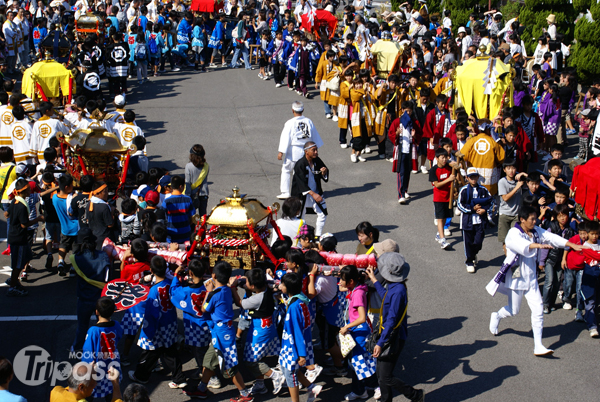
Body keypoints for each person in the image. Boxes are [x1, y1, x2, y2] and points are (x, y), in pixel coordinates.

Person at [487, 206, 584, 356]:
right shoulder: (514, 233)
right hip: (516, 276)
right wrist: (536, 245)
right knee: (513, 310)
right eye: (532, 219)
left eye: (535, 218)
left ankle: (538, 346)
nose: (535, 221)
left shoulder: (536, 231)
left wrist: (570, 244)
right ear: (522, 220)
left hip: (531, 278)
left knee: (538, 310)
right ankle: (497, 316)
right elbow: (521, 246)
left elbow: (552, 238)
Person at [184, 261, 252, 401]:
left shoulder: (214, 294)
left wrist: (208, 291)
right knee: (209, 361)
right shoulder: (226, 290)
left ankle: (245, 394)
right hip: (222, 331)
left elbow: (204, 309)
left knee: (229, 366)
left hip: (222, 334)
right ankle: (202, 389)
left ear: (213, 275)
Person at [365, 254, 424, 402]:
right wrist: (374, 280)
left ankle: (415, 395)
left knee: (385, 376)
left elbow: (391, 320)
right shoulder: (395, 286)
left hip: (392, 337)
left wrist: (380, 343)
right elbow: (386, 296)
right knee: (381, 374)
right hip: (389, 334)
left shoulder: (398, 291)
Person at [129, 256, 187, 388]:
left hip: (157, 326)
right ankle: (179, 377)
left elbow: (151, 313)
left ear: (152, 271)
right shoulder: (170, 283)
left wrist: (147, 331)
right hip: (170, 323)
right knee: (170, 351)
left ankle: (141, 376)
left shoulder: (154, 291)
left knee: (150, 352)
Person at [231, 268, 285, 395]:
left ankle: (275, 375)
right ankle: (260, 384)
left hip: (260, 331)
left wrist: (233, 288)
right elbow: (250, 290)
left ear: (253, 285)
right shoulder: (266, 289)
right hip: (267, 327)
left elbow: (240, 303)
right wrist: (244, 284)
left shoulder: (258, 298)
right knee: (259, 356)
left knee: (251, 360)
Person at [278, 272, 323, 402]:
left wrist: (301, 354)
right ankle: (311, 387)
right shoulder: (300, 299)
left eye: (282, 284)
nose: (280, 286)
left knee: (290, 373)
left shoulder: (294, 307)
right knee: (291, 370)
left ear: (288, 288)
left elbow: (297, 331)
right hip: (294, 343)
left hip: (292, 345)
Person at [170, 260, 214, 384]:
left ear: (190, 272)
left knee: (200, 352)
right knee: (206, 350)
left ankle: (209, 376)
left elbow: (173, 292)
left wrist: (176, 275)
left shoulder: (186, 291)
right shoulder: (208, 286)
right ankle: (204, 371)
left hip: (195, 326)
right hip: (207, 323)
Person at [338, 265, 376, 400]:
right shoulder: (355, 288)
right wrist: (342, 272)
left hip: (359, 332)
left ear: (351, 282)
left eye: (342, 279)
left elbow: (361, 318)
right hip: (356, 330)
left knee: (357, 363)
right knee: (363, 361)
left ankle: (360, 392)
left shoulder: (358, 293)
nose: (340, 282)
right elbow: (341, 287)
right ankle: (372, 385)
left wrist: (347, 326)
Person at [71, 228, 111, 352]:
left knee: (82, 325)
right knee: (103, 325)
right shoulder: (104, 255)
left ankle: (77, 347)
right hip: (100, 297)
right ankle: (103, 347)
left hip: (84, 298)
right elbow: (107, 277)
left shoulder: (76, 258)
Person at [278, 101, 323, 199]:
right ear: (303, 110)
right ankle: (302, 191)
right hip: (306, 150)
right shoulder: (308, 121)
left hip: (293, 151)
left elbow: (286, 137)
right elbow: (314, 136)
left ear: (292, 110)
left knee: (286, 170)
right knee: (300, 172)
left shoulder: (290, 122)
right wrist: (315, 150)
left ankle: (285, 192)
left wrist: (281, 151)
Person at [81, 297, 123, 401]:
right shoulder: (116, 325)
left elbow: (87, 352)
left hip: (98, 366)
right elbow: (119, 336)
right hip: (112, 363)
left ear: (96, 312)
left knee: (90, 390)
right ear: (113, 311)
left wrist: (86, 368)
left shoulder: (93, 331)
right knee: (111, 388)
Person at [457, 167, 494, 273]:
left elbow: (491, 202)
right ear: (467, 178)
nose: (473, 179)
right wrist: (471, 209)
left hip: (480, 221)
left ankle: (473, 254)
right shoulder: (463, 190)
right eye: (470, 177)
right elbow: (460, 205)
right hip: (467, 221)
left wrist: (484, 210)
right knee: (468, 243)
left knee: (478, 242)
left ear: (478, 177)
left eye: (475, 176)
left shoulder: (483, 190)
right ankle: (469, 261)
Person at [540, 204, 575, 314]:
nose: (563, 218)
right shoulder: (552, 228)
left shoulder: (569, 229)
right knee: (549, 281)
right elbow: (545, 246)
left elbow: (568, 246)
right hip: (550, 259)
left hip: (561, 260)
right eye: (560, 216)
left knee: (557, 282)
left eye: (564, 215)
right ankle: (545, 304)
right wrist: (542, 261)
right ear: (555, 217)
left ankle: (552, 303)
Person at [290, 141, 329, 237]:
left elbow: (323, 171)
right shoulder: (300, 164)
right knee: (300, 217)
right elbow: (301, 183)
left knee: (323, 214)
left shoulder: (317, 160)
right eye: (314, 150)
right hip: (302, 195)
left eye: (316, 150)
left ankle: (317, 236)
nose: (316, 152)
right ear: (306, 151)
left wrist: (324, 173)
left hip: (315, 192)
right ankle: (299, 236)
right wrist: (313, 194)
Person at [457, 123, 505, 195]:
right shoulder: (493, 142)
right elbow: (501, 158)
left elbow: (463, 156)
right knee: (488, 199)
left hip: (473, 177)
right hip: (489, 181)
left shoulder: (471, 141)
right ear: (488, 130)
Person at [389, 101, 422, 204]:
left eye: (410, 111)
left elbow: (420, 136)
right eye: (406, 111)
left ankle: (405, 189)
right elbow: (391, 135)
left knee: (408, 171)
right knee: (401, 172)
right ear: (402, 110)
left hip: (410, 149)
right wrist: (397, 134)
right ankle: (401, 194)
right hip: (401, 150)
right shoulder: (397, 122)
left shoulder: (415, 122)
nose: (408, 113)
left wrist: (414, 136)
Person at [50, 362, 122, 402]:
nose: (95, 384)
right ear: (81, 387)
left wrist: (89, 370)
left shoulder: (55, 391)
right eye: (93, 382)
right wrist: (115, 384)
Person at [429, 148, 454, 250]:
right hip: (439, 198)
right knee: (440, 218)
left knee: (445, 217)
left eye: (446, 157)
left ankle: (439, 234)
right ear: (437, 158)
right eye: (442, 157)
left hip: (449, 197)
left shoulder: (449, 167)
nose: (444, 160)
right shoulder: (433, 170)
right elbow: (437, 185)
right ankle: (443, 240)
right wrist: (449, 179)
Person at [497, 159, 526, 252]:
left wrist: (524, 174)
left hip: (516, 215)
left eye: (513, 168)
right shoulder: (502, 182)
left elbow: (533, 180)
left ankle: (514, 261)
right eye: (508, 168)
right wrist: (517, 187)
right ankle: (508, 262)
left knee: (515, 240)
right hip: (504, 214)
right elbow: (505, 198)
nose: (511, 171)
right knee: (505, 240)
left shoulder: (519, 180)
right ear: (504, 170)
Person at [88, 181, 115, 250]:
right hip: (104, 238)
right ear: (98, 193)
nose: (107, 194)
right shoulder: (104, 207)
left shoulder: (89, 204)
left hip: (93, 235)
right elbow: (110, 224)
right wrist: (112, 212)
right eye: (105, 191)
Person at [184, 144, 209, 217]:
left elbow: (187, 182)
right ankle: (204, 228)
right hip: (204, 192)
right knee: (203, 215)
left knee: (191, 216)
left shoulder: (188, 166)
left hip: (192, 194)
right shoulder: (206, 165)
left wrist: (187, 195)